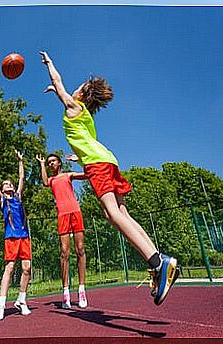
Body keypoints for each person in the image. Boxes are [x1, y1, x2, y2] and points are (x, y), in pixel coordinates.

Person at [39, 51, 179, 306]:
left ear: (81, 95)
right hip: (108, 160)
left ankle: (157, 263)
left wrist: (50, 65)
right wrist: (80, 159)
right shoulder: (86, 116)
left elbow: (60, 84)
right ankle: (159, 259)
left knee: (112, 213)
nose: (74, 88)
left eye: (79, 87)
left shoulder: (73, 107)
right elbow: (85, 139)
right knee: (122, 214)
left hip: (97, 165)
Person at [36, 153, 88, 309]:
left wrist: (78, 160)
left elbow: (87, 174)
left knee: (80, 250)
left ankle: (81, 290)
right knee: (64, 253)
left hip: (75, 212)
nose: (51, 164)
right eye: (49, 162)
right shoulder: (51, 180)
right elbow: (45, 182)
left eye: (53, 161)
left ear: (59, 163)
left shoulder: (68, 175)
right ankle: (66, 292)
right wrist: (41, 163)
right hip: (62, 215)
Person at [0, 150, 32, 321]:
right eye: (5, 184)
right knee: (9, 268)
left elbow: (22, 178)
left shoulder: (18, 197)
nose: (8, 185)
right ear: (2, 188)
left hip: (24, 236)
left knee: (27, 268)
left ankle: (21, 300)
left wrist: (20, 161)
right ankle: (1, 305)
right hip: (11, 237)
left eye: (9, 183)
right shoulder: (3, 200)